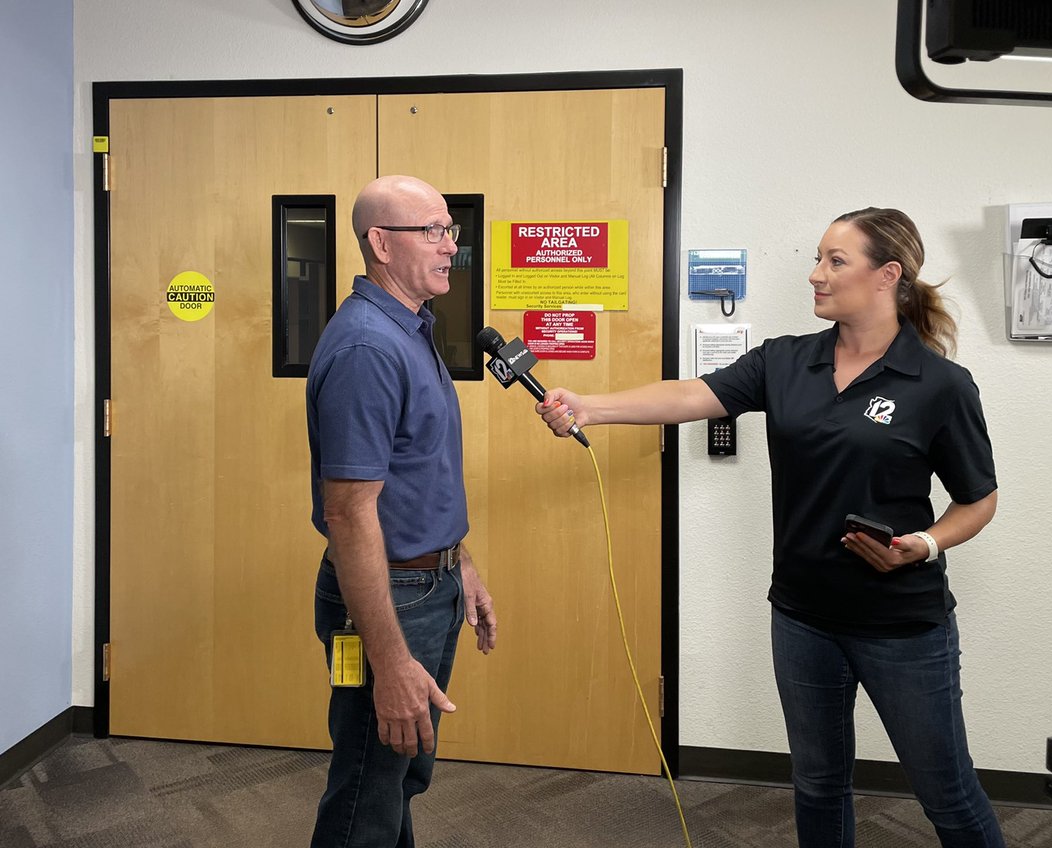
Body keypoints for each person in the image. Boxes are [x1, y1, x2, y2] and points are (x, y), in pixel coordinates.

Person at [537, 207, 1005, 848]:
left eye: (835, 261)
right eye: (818, 258)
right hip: (803, 617)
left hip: (902, 624)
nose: (815, 274)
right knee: (817, 787)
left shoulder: (940, 385)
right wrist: (592, 406)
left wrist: (922, 545)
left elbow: (978, 499)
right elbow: (687, 396)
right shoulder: (787, 362)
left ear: (886, 275)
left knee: (945, 793)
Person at [306, 175, 498, 848]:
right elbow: (350, 515)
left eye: (452, 231)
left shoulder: (411, 328)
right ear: (381, 244)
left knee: (398, 773)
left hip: (427, 583)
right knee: (370, 778)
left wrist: (459, 562)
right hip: (385, 601)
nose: (452, 247)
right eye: (434, 232)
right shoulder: (367, 347)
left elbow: (419, 474)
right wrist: (388, 663)